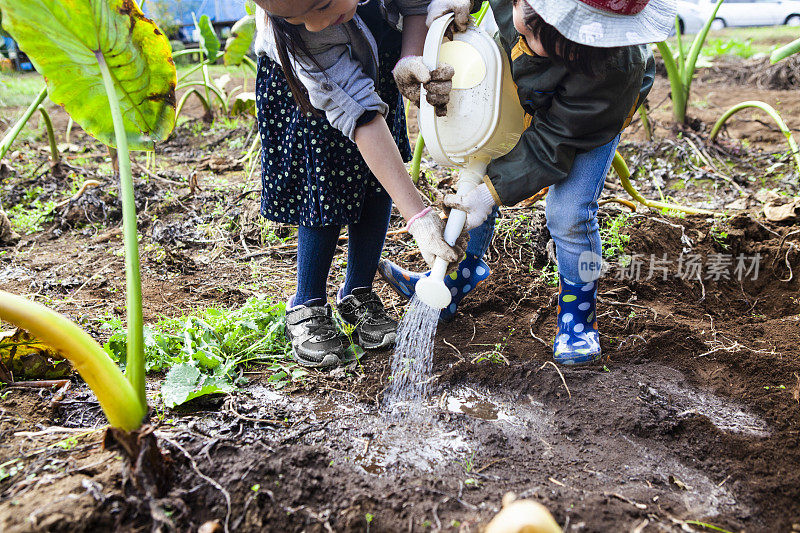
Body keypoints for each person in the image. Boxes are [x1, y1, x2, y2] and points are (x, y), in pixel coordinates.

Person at [379, 0, 675, 365]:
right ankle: (459, 276)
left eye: (557, 42)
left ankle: (578, 317)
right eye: (529, 26)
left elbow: (554, 143)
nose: (534, 44)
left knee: (568, 213)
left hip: (586, 122)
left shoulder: (613, 69)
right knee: (477, 167)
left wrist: (492, 194)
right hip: (521, 83)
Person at [252, 0, 470, 367]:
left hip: (377, 60)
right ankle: (307, 302)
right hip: (311, 87)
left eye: (321, 5)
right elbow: (360, 111)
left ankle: (358, 292)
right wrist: (417, 216)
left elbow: (415, 3)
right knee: (323, 189)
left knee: (377, 182)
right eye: (299, 18)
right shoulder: (302, 35)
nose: (316, 23)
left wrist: (409, 58)